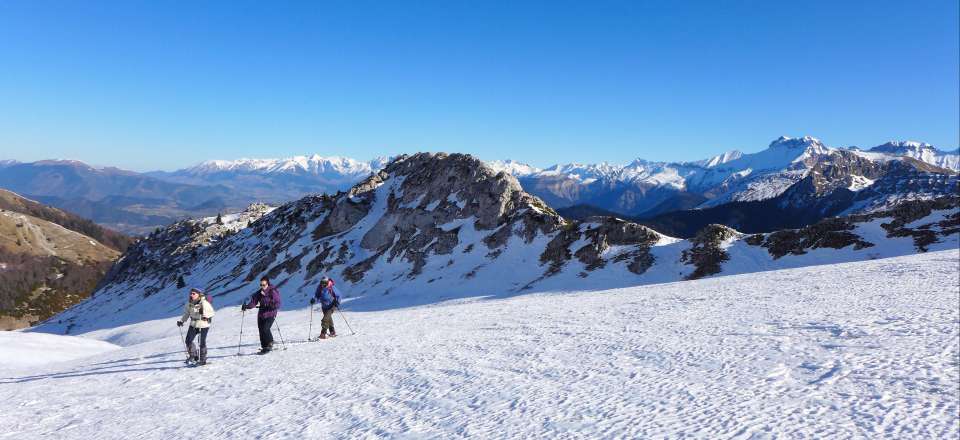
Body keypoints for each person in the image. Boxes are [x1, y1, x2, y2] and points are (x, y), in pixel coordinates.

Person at [242, 276, 282, 354]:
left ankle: (270, 343)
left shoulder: (272, 291)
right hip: (262, 314)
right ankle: (264, 347)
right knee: (261, 330)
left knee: (265, 328)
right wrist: (247, 306)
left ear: (267, 284)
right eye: (261, 285)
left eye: (264, 285)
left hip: (271, 313)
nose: (262, 286)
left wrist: (272, 305)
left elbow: (278, 303)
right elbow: (253, 302)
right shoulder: (259, 293)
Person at [177, 287, 215, 365]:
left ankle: (203, 360)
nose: (191, 295)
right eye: (191, 293)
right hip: (193, 324)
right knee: (188, 340)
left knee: (201, 342)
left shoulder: (204, 303)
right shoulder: (189, 303)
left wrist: (206, 316)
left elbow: (212, 312)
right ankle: (193, 356)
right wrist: (182, 321)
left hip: (203, 324)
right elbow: (187, 313)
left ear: (199, 294)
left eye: (194, 293)